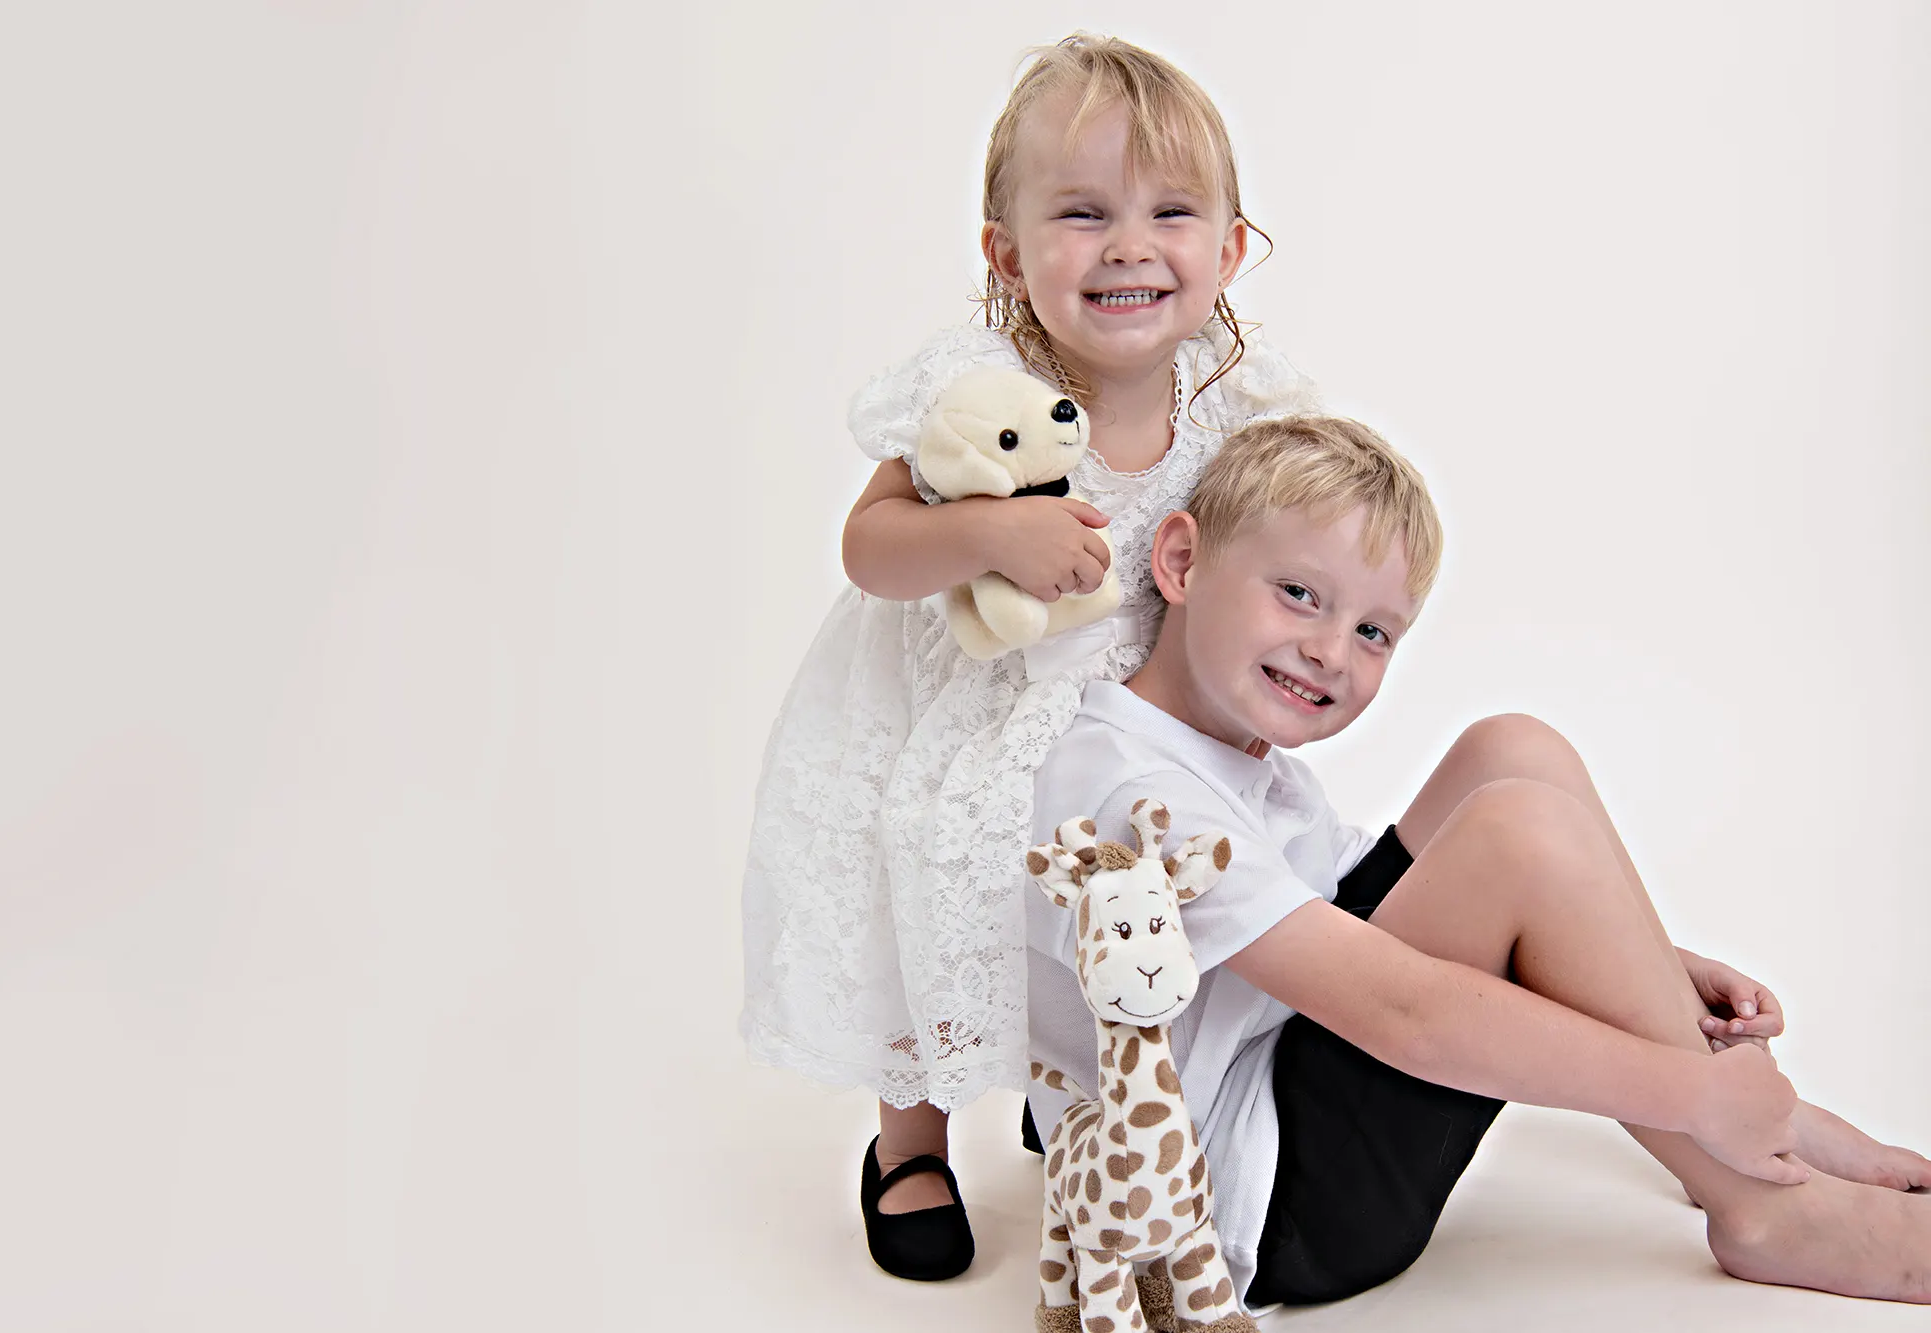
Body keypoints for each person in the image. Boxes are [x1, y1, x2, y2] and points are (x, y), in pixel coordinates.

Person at [1025, 415, 1931, 1312]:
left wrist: (1651, 961)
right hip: (1254, 1201)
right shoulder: (1129, 792)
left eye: (1375, 631)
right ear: (1181, 562)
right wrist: (1693, 1090)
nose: (1331, 650)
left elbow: (1344, 893)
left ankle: (1761, 1128)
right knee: (1517, 833)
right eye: (1299, 592)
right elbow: (1405, 1010)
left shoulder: (1233, 754)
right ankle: (1763, 1205)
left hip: (1283, 1065)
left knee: (1512, 751)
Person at [739, 33, 1320, 1280]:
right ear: (1004, 254)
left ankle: (1090, 1103)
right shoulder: (977, 385)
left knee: (1131, 919)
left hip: (1138, 728)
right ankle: (910, 1138)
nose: (1125, 245)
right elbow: (868, 546)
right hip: (964, 721)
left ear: (1225, 251)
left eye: (1169, 212)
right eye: (1079, 212)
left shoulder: (1234, 408)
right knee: (939, 906)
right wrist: (984, 529)